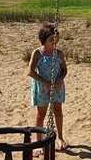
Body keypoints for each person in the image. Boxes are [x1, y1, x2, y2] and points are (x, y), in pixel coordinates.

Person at [28, 23, 68, 151]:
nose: (54, 41)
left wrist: (59, 80)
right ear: (44, 40)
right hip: (42, 88)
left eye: (56, 38)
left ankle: (60, 137)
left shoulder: (59, 54)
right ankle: (38, 142)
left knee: (58, 111)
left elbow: (64, 70)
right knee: (41, 114)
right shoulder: (38, 53)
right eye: (51, 39)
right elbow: (30, 71)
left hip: (57, 87)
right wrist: (44, 82)